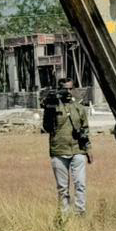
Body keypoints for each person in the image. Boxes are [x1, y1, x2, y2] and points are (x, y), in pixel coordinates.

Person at [43, 77, 91, 215]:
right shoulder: (53, 106)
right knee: (63, 187)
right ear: (60, 89)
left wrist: (88, 149)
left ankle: (80, 212)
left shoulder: (79, 107)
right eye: (65, 89)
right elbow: (46, 127)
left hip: (78, 150)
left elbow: (85, 129)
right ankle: (64, 215)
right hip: (59, 150)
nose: (69, 92)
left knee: (80, 184)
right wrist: (49, 106)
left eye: (71, 88)